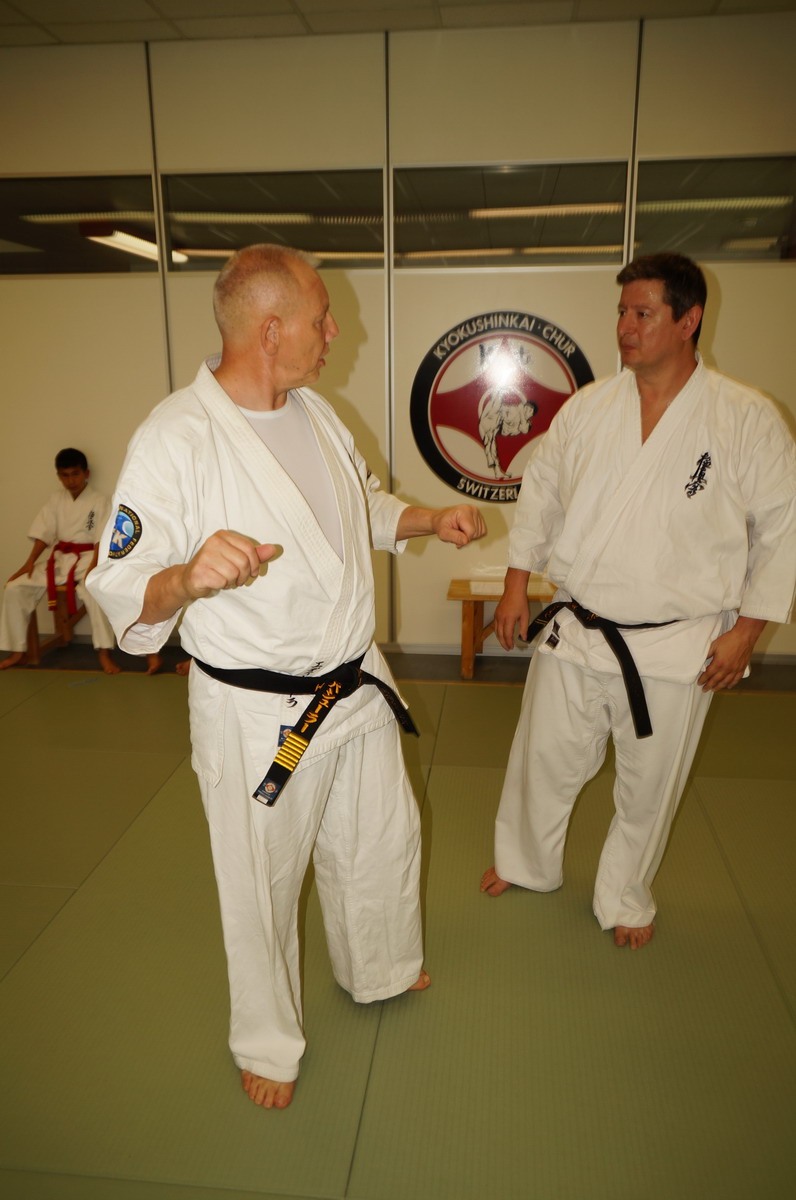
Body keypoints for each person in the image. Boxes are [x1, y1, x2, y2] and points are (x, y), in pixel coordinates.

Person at [87, 244, 486, 1110]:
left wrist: (428, 519)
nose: (335, 332)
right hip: (256, 712)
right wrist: (185, 577)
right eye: (321, 318)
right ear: (271, 331)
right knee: (260, 882)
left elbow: (361, 505)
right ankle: (267, 1041)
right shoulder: (176, 437)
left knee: (380, 842)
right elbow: (118, 586)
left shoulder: (316, 411)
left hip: (352, 683)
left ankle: (380, 967)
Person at [481, 252, 796, 950]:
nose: (626, 326)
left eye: (643, 313)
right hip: (578, 624)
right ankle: (525, 863)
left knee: (649, 787)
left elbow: (783, 528)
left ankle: (625, 895)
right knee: (542, 760)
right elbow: (541, 495)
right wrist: (515, 582)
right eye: (622, 312)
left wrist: (747, 631)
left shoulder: (745, 416)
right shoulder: (590, 408)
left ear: (689, 320)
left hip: (677, 640)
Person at [0, 448, 160, 674]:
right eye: (65, 475)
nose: (70, 480)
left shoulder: (100, 501)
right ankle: (17, 651)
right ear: (58, 476)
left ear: (86, 473)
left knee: (93, 591)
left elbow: (101, 539)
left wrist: (93, 567)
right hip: (60, 560)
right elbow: (43, 533)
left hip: (88, 559)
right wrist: (29, 563)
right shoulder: (56, 500)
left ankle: (104, 651)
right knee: (14, 587)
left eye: (75, 474)